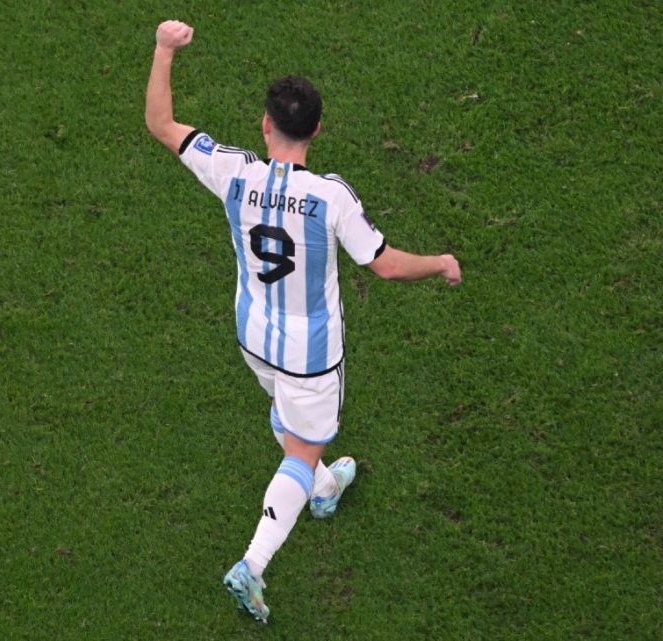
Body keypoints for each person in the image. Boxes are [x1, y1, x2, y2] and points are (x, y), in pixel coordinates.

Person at [145, 20, 462, 623]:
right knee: (303, 447)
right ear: (317, 128)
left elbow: (162, 124)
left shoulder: (235, 172)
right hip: (312, 357)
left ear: (266, 125)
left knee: (291, 421)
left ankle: (319, 488)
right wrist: (443, 263)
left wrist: (164, 50)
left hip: (253, 337)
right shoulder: (330, 196)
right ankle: (254, 564)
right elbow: (386, 266)